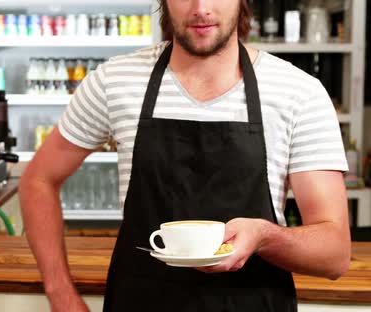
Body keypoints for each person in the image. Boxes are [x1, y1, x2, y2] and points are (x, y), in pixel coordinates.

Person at [19, 0, 351, 311]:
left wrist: (265, 237)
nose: (201, 8)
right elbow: (38, 180)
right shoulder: (114, 82)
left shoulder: (298, 93)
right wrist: (60, 293)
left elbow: (334, 255)